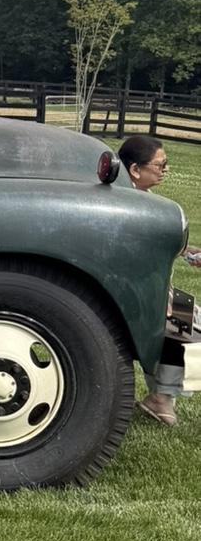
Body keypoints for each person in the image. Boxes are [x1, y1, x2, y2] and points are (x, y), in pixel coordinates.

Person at [118, 134, 189, 426]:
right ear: (135, 169)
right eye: (160, 165)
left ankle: (161, 397)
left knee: (186, 318)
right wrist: (159, 298)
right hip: (135, 291)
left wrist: (188, 252)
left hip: (152, 288)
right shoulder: (128, 205)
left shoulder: (142, 200)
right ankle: (161, 399)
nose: (165, 170)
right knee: (181, 324)